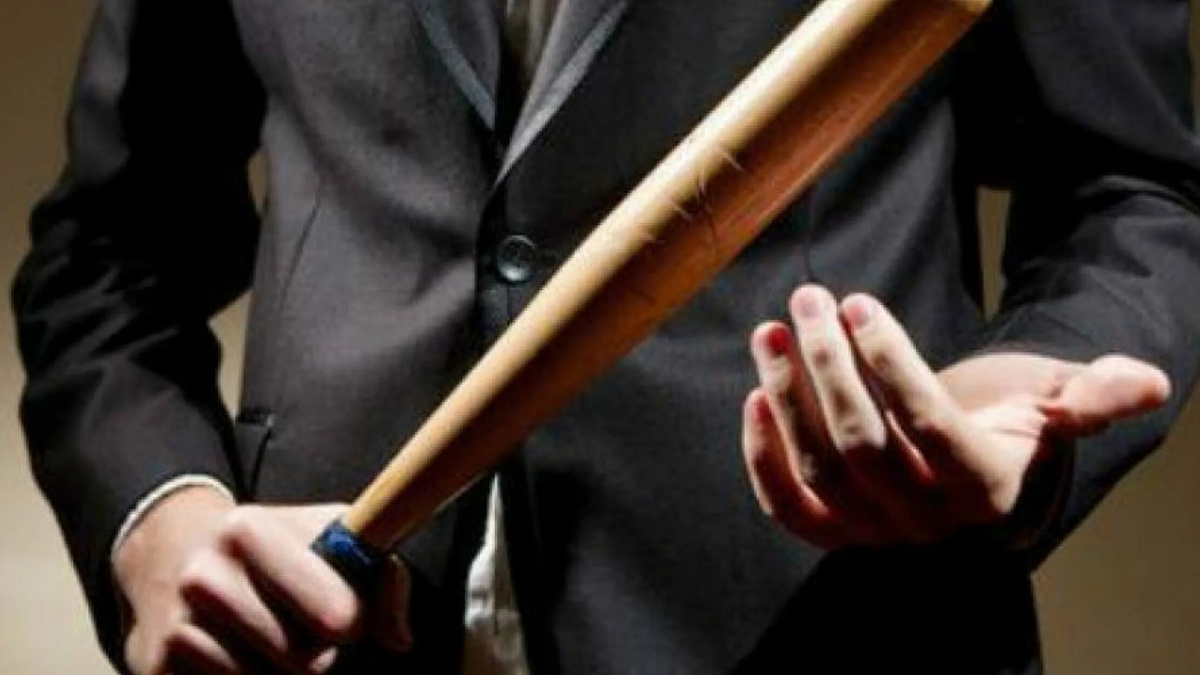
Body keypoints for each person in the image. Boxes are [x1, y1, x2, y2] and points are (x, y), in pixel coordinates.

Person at [13, 0, 1200, 673]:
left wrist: (1016, 391)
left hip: (827, 636)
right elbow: (108, 253)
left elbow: (1141, 190)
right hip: (327, 644)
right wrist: (157, 520)